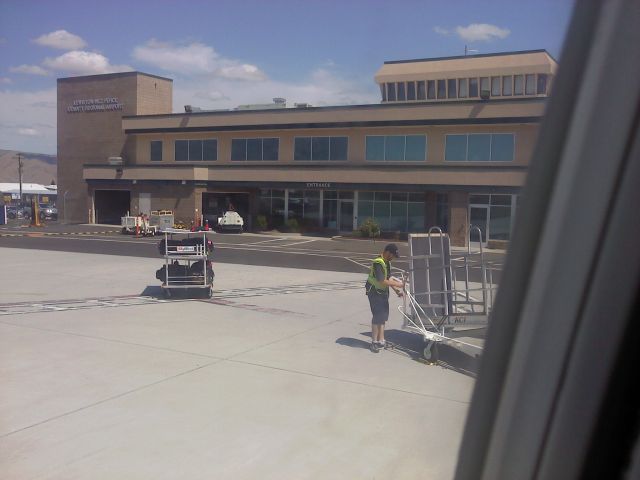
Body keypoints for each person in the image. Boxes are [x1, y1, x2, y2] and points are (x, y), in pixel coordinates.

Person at [365, 243, 404, 353]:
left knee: (383, 316)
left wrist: (396, 291)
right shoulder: (378, 262)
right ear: (387, 252)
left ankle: (381, 340)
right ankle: (374, 342)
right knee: (377, 316)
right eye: (393, 255)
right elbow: (381, 280)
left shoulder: (387, 262)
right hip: (374, 291)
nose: (393, 258)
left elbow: (388, 278)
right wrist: (399, 285)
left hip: (382, 291)